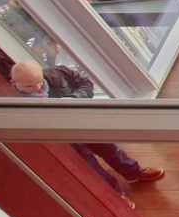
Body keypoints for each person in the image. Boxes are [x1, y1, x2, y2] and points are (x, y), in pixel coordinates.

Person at [10, 59, 163, 209]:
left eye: (40, 81)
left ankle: (134, 172)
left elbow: (86, 84)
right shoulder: (11, 102)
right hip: (61, 140)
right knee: (90, 168)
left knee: (112, 149)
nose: (38, 87)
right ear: (14, 83)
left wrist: (72, 100)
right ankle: (116, 195)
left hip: (83, 123)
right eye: (30, 86)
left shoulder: (59, 73)